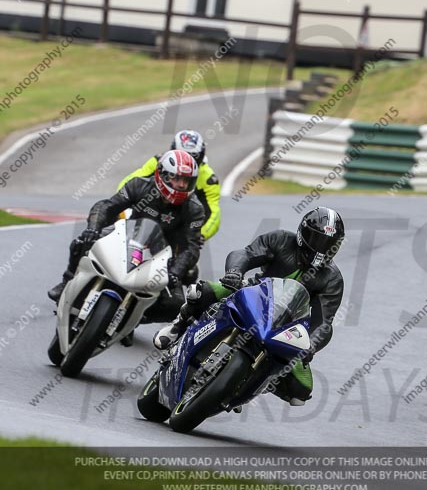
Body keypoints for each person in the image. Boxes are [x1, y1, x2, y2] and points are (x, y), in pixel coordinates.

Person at [154, 207, 345, 406]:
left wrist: (311, 345)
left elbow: (324, 322)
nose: (322, 248)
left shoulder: (332, 279)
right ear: (303, 233)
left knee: (301, 392)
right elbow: (246, 254)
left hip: (287, 325)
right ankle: (178, 325)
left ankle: (256, 382)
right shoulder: (280, 239)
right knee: (202, 292)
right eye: (318, 240)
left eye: (330, 244)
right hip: (254, 293)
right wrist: (235, 273)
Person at [47, 151, 205, 325]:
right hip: (127, 238)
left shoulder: (194, 208)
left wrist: (175, 272)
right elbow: (106, 206)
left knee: (176, 301)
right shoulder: (140, 185)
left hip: (163, 256)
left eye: (186, 181)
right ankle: (67, 282)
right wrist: (93, 228)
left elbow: (192, 246)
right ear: (163, 175)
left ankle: (136, 316)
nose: (181, 185)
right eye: (177, 178)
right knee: (81, 242)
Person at [117, 130, 220, 277]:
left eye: (193, 157)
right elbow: (130, 182)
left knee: (188, 270)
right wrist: (122, 205)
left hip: (179, 226)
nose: (185, 163)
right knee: (96, 238)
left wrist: (200, 234)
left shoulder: (209, 178)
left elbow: (214, 212)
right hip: (144, 217)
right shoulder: (159, 162)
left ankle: (173, 294)